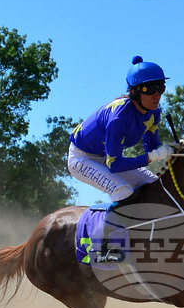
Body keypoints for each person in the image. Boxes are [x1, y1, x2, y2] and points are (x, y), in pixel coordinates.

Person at [69, 56, 175, 261]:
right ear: (135, 92)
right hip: (81, 159)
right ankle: (106, 248)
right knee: (123, 190)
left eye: (161, 88)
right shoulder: (119, 117)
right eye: (150, 89)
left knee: (155, 185)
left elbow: (152, 146)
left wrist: (172, 151)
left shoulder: (154, 113)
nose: (157, 95)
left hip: (105, 156)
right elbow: (115, 164)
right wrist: (153, 157)